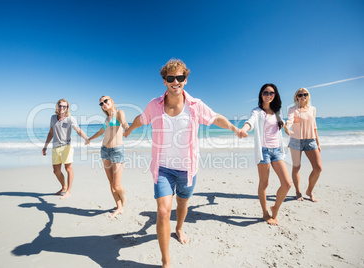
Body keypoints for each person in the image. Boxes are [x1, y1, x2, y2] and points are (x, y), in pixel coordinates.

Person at [124, 59, 241, 267]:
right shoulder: (154, 105)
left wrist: (234, 129)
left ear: (185, 80)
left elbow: (215, 118)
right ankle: (166, 261)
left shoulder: (195, 105)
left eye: (180, 77)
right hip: (163, 168)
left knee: (182, 203)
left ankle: (179, 228)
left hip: (188, 169)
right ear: (164, 81)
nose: (175, 81)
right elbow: (140, 119)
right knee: (162, 211)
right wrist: (129, 130)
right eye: (171, 78)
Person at [239, 83, 292, 225]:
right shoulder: (257, 111)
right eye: (265, 93)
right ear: (261, 95)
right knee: (264, 183)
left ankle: (275, 207)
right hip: (264, 151)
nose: (268, 95)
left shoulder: (277, 112)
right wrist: (244, 129)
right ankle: (265, 213)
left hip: (277, 151)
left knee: (287, 184)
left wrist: (287, 129)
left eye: (271, 93)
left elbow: (282, 123)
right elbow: (250, 122)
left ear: (275, 95)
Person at [86, 96, 129, 218]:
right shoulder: (107, 118)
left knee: (117, 185)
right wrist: (89, 139)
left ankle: (123, 197)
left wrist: (127, 129)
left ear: (111, 101)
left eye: (106, 101)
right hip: (105, 150)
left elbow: (124, 123)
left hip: (117, 151)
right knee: (111, 182)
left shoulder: (119, 113)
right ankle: (119, 206)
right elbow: (101, 132)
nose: (104, 104)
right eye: (101, 103)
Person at [42, 98, 89, 199]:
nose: (62, 108)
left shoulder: (70, 119)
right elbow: (51, 133)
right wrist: (45, 146)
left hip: (66, 147)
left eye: (64, 106)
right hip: (55, 147)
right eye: (60, 106)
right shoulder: (53, 118)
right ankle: (63, 187)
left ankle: (69, 191)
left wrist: (86, 138)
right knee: (56, 171)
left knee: (68, 169)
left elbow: (78, 130)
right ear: (57, 107)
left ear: (67, 108)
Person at [284, 88, 322, 202]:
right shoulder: (292, 109)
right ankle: (298, 191)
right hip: (296, 140)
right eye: (300, 95)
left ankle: (309, 191)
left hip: (310, 141)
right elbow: (289, 120)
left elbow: (314, 126)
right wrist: (287, 127)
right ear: (297, 97)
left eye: (305, 94)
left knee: (318, 168)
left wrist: (318, 143)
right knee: (296, 167)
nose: (302, 96)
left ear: (308, 96)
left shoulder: (313, 109)